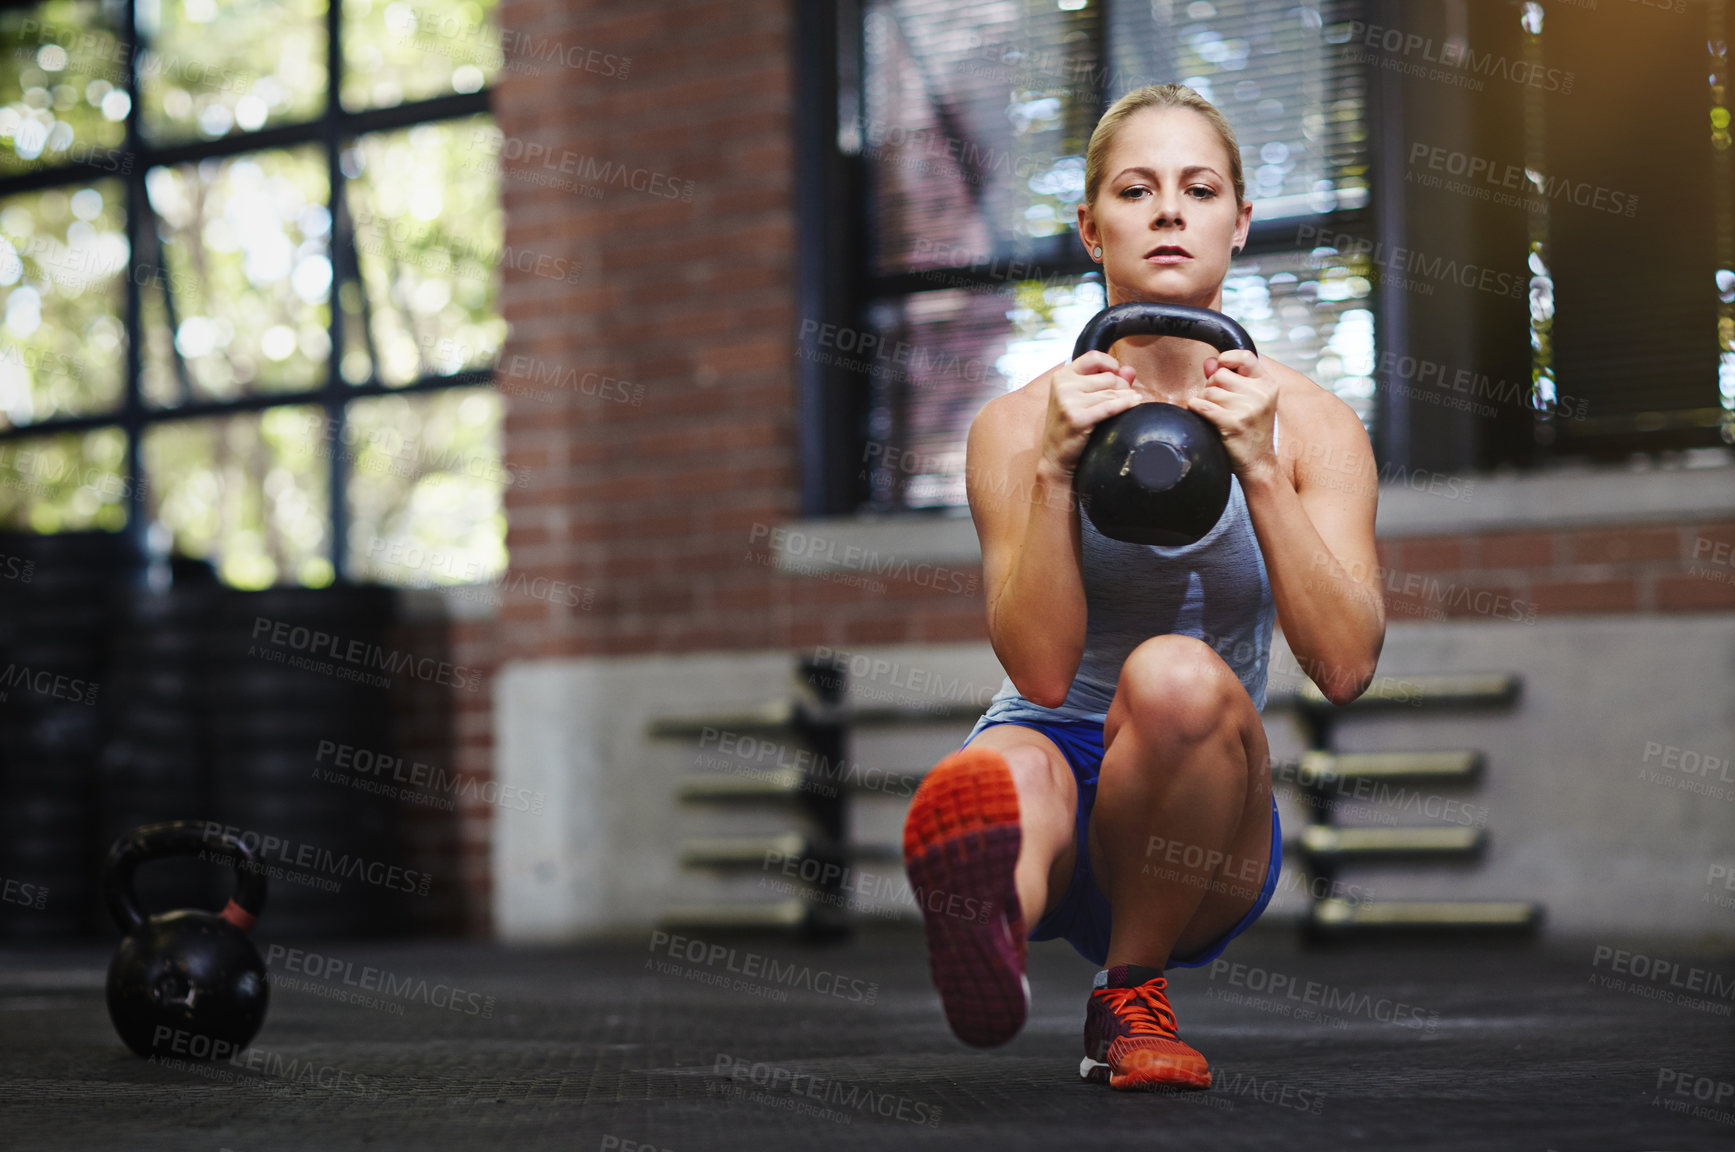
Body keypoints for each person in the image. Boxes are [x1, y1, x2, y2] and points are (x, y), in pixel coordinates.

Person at [901, 83, 1386, 1092]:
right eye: (1136, 189)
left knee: (1173, 674)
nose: (1169, 210)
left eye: (1198, 188)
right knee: (1004, 777)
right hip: (1048, 751)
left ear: (1239, 221)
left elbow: (1343, 664)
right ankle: (991, 910)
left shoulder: (1314, 425)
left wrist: (1258, 467)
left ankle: (1130, 991)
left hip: (1193, 812)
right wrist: (1049, 469)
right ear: (1090, 226)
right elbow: (1037, 665)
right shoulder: (1012, 424)